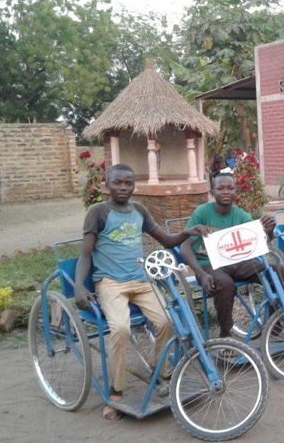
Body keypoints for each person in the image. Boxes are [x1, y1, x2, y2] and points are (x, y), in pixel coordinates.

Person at [73, 164, 204, 421]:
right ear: (107, 185)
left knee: (166, 321)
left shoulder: (139, 210)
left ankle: (163, 374)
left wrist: (188, 231)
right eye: (117, 183)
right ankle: (116, 393)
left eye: (128, 183)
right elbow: (85, 254)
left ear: (134, 186)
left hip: (141, 281)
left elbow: (165, 241)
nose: (123, 187)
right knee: (120, 329)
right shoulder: (97, 211)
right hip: (110, 283)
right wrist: (79, 286)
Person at [179, 172, 280, 340]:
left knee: (278, 272)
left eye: (230, 188)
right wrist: (201, 274)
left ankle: (276, 324)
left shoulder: (242, 216)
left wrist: (269, 233)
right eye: (220, 188)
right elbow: (184, 246)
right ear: (212, 192)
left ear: (236, 192)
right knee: (225, 284)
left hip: (238, 262)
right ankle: (226, 333)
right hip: (209, 264)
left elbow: (260, 243)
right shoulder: (202, 213)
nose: (225, 192)